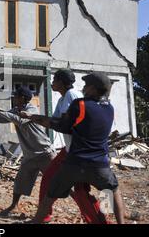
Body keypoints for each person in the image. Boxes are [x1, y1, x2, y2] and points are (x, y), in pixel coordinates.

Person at [21, 72, 125, 224]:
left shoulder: (80, 104)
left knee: (51, 192)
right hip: (100, 164)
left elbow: (62, 126)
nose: (84, 88)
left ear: (94, 89)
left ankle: (37, 221)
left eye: (87, 85)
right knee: (112, 191)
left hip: (75, 162)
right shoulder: (110, 108)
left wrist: (36, 118)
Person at [38, 69, 109, 224]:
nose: (52, 83)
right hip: (71, 149)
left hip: (78, 152)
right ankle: (43, 216)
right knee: (75, 188)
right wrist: (34, 118)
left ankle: (100, 220)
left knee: (79, 190)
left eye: (55, 80)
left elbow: (64, 124)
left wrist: (39, 119)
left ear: (62, 82)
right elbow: (55, 120)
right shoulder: (63, 98)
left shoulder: (72, 96)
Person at [0, 86, 56, 216]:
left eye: (16, 96)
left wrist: (1, 110)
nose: (13, 98)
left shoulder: (32, 110)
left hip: (45, 153)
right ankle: (14, 206)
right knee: (20, 182)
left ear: (22, 98)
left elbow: (20, 120)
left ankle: (78, 202)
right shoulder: (16, 110)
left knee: (57, 181)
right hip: (29, 155)